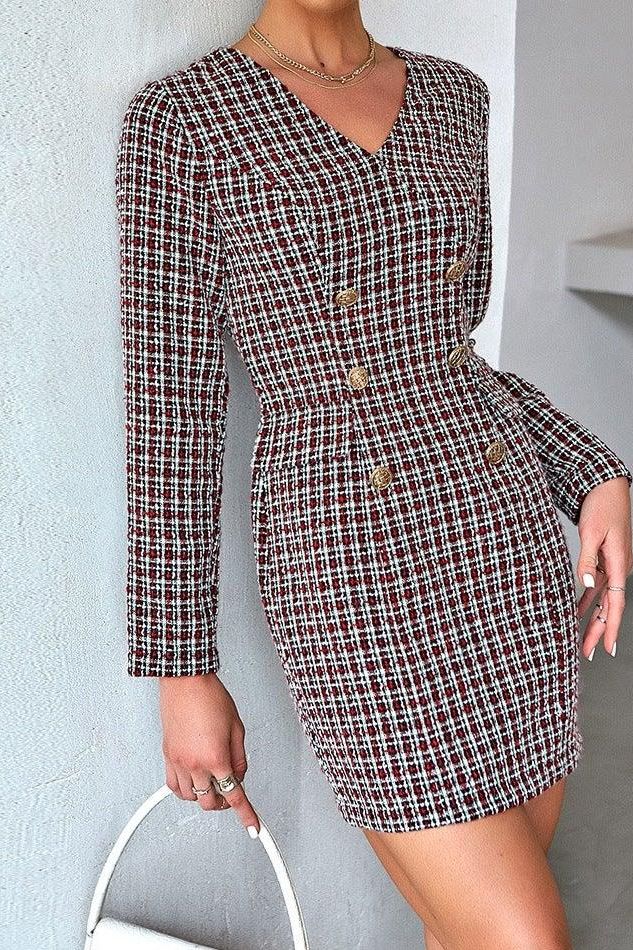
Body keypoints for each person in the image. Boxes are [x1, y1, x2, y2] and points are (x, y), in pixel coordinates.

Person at [115, 4, 633, 946]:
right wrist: (181, 668)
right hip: (352, 570)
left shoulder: (454, 98)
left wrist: (593, 471)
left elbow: (450, 358)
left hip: (500, 544)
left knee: (463, 930)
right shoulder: (182, 121)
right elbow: (170, 412)